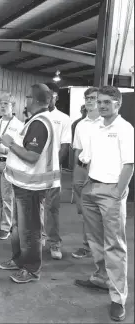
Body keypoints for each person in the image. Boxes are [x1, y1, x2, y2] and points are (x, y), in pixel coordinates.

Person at [75, 86, 134, 322]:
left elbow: (129, 164)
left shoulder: (125, 129)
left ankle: (118, 298)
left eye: (107, 102)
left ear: (118, 103)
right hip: (92, 187)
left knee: (115, 245)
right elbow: (86, 156)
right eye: (99, 102)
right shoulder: (96, 128)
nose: (101, 106)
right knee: (95, 239)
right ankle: (101, 278)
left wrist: (118, 193)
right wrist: (87, 174)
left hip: (111, 191)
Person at [0, 83, 59, 284]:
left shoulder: (40, 122)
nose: (25, 101)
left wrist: (10, 144)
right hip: (23, 184)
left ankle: (31, 269)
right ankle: (19, 260)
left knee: (29, 230)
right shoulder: (36, 120)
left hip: (31, 187)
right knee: (18, 227)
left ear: (33, 99)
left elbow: (32, 156)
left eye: (27, 97)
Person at [0, 93, 24, 240]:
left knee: (7, 196)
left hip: (9, 162)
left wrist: (6, 150)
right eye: (1, 103)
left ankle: (6, 226)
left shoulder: (19, 126)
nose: (2, 106)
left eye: (6, 104)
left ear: (12, 106)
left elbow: (21, 148)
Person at [42, 82, 71, 260]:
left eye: (51, 95)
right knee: (32, 208)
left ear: (56, 97)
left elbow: (65, 146)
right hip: (33, 172)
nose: (47, 98)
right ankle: (37, 239)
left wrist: (53, 168)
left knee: (52, 208)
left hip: (52, 172)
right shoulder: (35, 116)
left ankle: (54, 242)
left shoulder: (64, 119)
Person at [71, 88, 101, 258]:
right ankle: (88, 244)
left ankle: (92, 246)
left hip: (97, 170)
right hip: (81, 169)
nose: (89, 101)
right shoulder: (81, 124)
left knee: (95, 209)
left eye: (93, 98)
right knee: (83, 209)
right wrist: (76, 172)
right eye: (87, 98)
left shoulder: (105, 124)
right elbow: (78, 149)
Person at [69, 104, 87, 170]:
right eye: (84, 111)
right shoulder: (76, 123)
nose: (85, 112)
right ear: (81, 111)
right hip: (78, 148)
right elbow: (72, 139)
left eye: (87, 111)